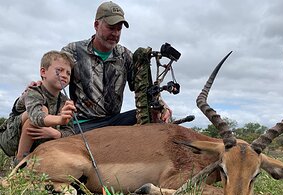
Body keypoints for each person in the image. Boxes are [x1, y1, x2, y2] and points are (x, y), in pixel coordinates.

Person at [61, 1, 172, 133]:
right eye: (111, 28)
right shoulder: (72, 51)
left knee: (153, 114)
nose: (115, 33)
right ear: (96, 25)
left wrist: (162, 106)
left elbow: (145, 90)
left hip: (114, 121)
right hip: (82, 123)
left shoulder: (125, 55)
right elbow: (55, 79)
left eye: (119, 29)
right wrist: (40, 86)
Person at [0, 50, 76, 163]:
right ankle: (19, 162)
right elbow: (36, 117)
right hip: (10, 140)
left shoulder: (66, 102)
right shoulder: (33, 92)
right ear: (43, 72)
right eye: (59, 71)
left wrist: (57, 133)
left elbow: (70, 133)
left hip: (40, 142)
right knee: (41, 111)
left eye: (68, 73)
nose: (64, 75)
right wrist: (60, 119)